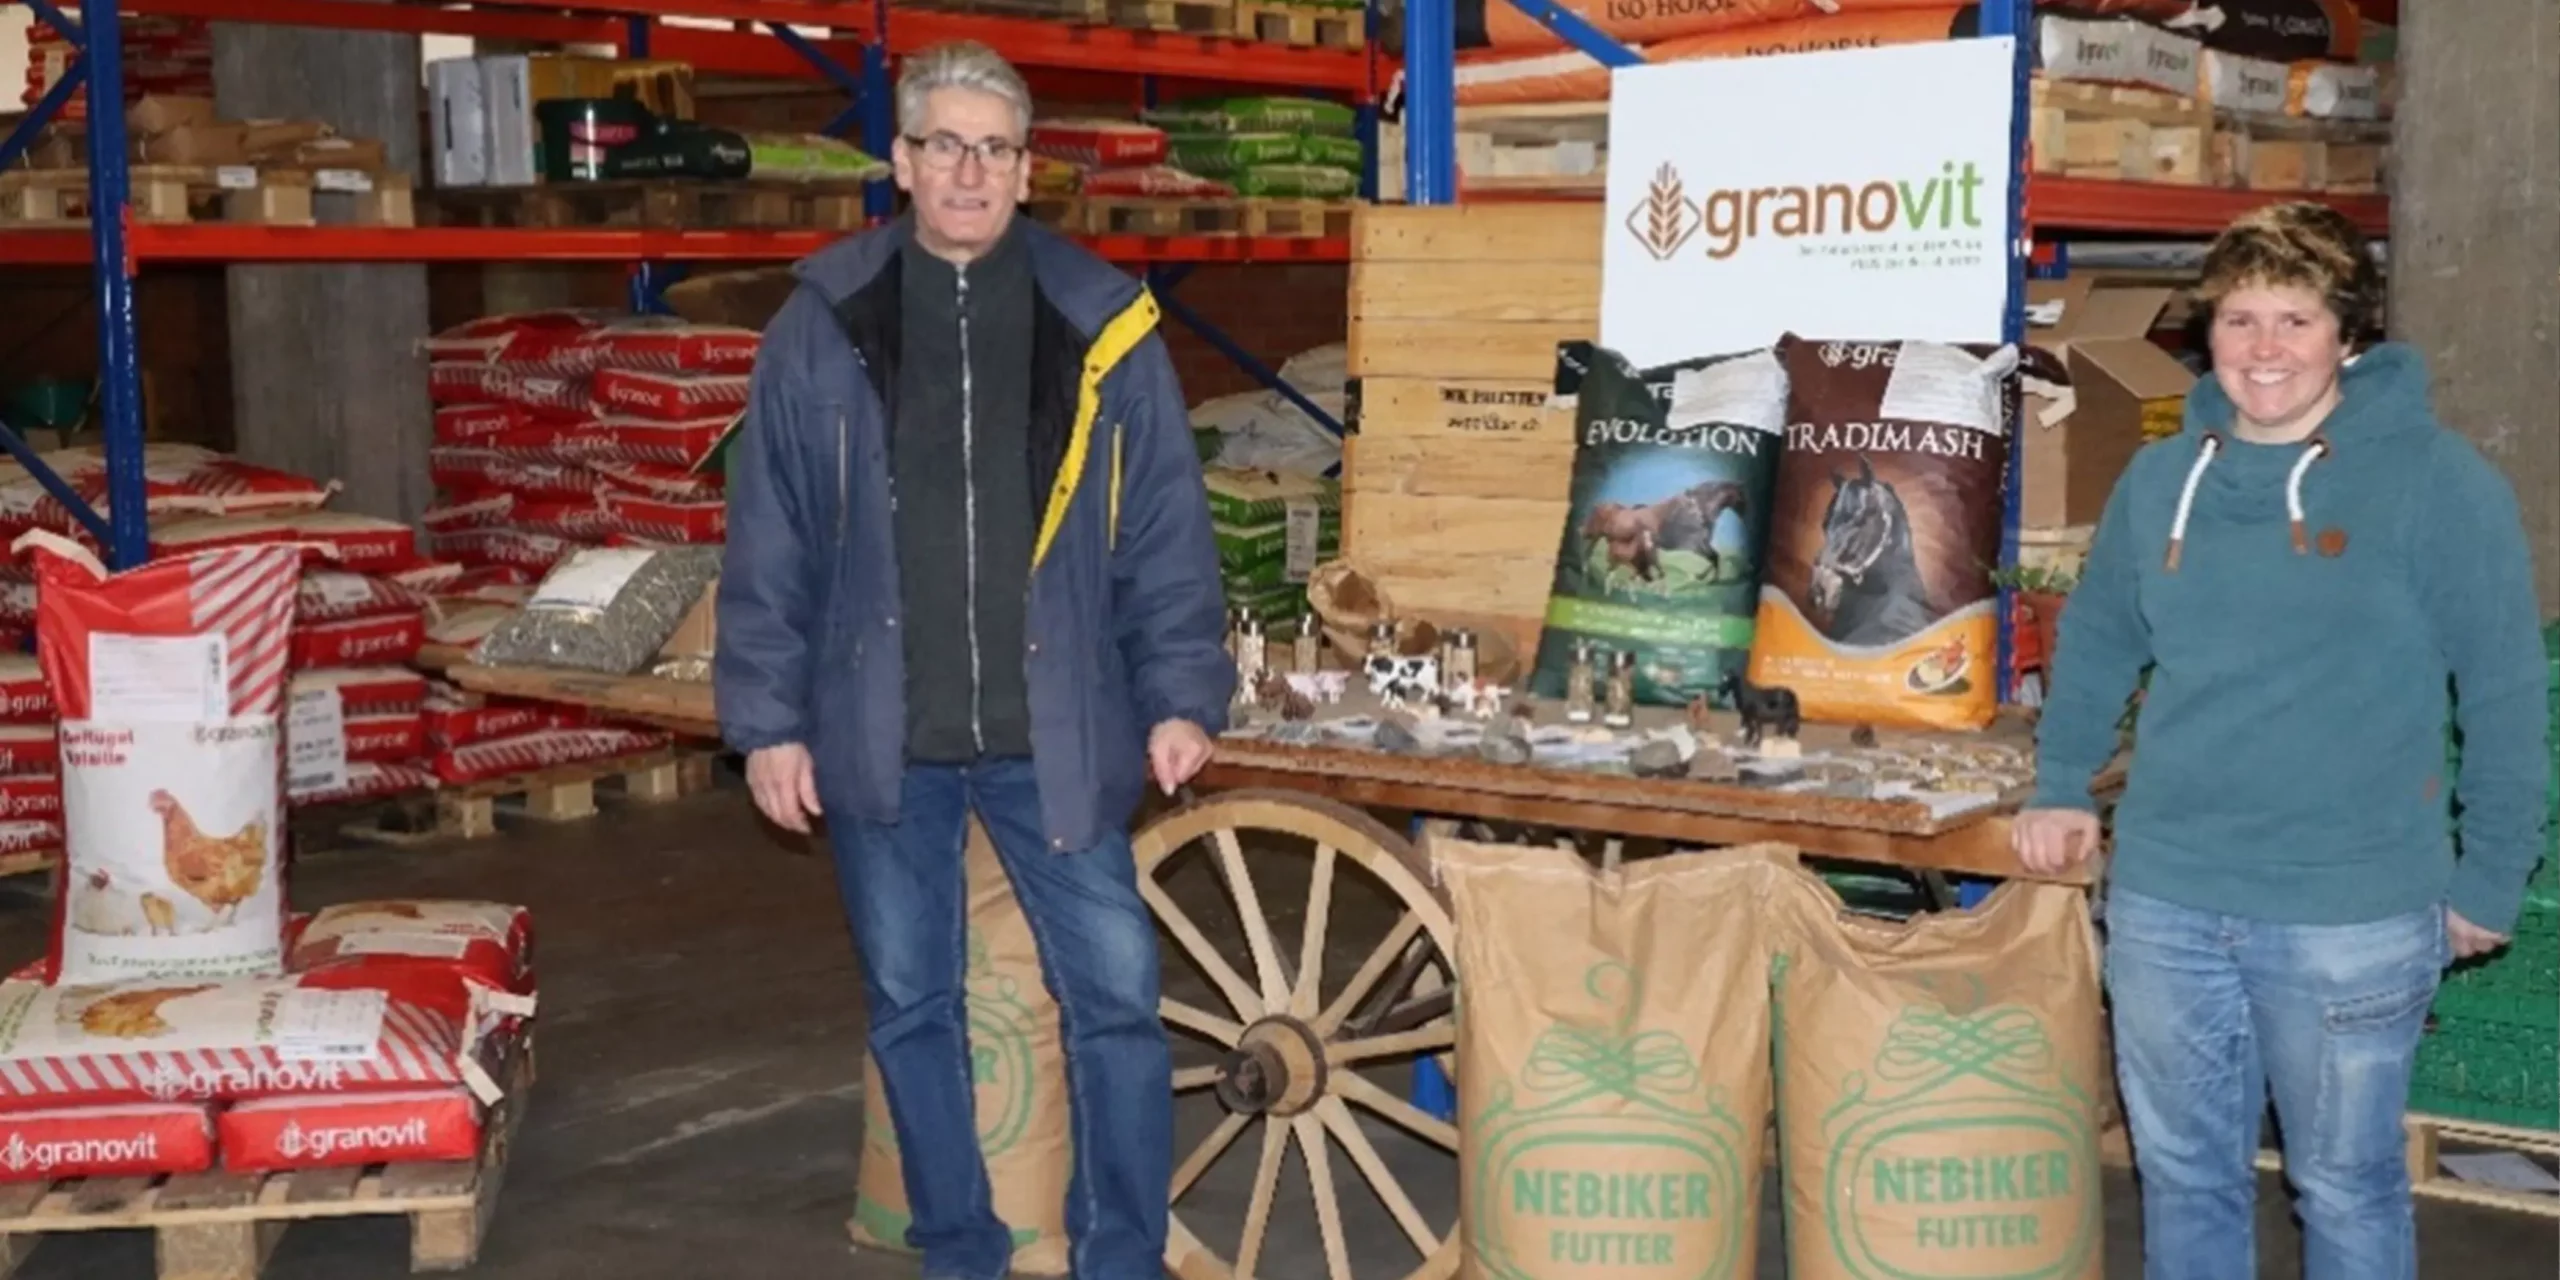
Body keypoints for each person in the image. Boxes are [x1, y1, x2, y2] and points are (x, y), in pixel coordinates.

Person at [712, 39, 1235, 1280]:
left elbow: (1163, 524)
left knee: (1114, 1004)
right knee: (912, 1007)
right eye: (943, 144)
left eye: (993, 148)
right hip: (879, 727)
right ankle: (960, 1250)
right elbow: (769, 534)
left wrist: (1177, 692)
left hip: (1057, 728)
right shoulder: (819, 322)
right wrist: (768, 721)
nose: (967, 170)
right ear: (900, 160)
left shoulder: (1100, 322)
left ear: (1025, 169)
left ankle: (1122, 1257)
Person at [2013, 201, 2549, 1280]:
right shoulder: (2163, 478)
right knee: (2183, 1173)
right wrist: (2061, 779)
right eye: (2240, 319)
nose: (2264, 349)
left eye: (2294, 320)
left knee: (2344, 1186)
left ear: (2347, 334)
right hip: (2167, 897)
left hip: (2349, 909)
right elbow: (2103, 638)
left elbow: (2500, 691)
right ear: (2207, 331)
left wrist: (2489, 876)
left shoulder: (2435, 483)